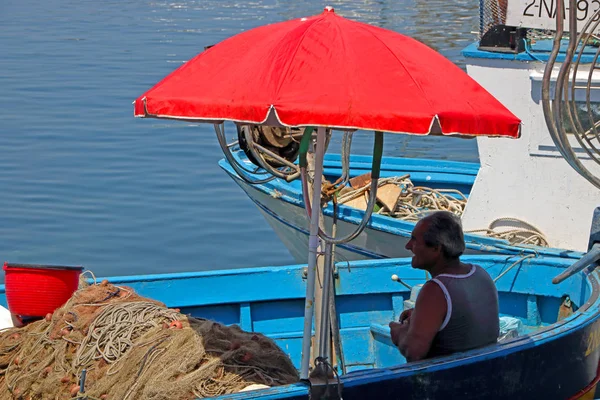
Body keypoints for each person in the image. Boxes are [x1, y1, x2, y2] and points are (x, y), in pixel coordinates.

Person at [389, 211, 499, 361]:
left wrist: (399, 333)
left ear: (436, 249)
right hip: (485, 370)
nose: (408, 246)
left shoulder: (435, 290)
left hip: (449, 379)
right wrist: (420, 314)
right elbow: (460, 316)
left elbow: (413, 351)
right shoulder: (480, 273)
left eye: (414, 240)